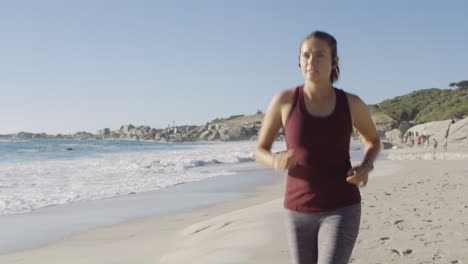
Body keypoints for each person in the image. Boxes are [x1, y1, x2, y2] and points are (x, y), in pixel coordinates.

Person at [255, 31, 381, 264]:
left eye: (320, 55)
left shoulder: (351, 104)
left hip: (342, 207)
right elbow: (260, 150)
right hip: (297, 210)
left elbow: (373, 140)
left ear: (334, 61)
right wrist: (274, 160)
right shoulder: (284, 100)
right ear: (299, 61)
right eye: (306, 56)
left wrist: (366, 165)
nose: (312, 62)